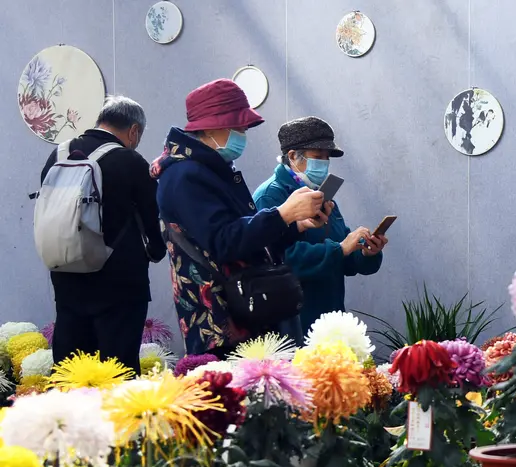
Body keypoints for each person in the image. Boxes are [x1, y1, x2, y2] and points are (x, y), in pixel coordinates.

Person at [152, 79, 327, 356]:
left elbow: (249, 239)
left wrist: (297, 225)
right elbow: (225, 241)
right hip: (219, 322)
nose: (243, 133)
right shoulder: (184, 176)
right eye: (239, 126)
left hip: (245, 312)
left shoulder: (210, 170)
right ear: (210, 127)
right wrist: (283, 213)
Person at [38, 96, 166, 373]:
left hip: (66, 275)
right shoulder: (130, 161)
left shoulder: (59, 154)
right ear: (134, 131)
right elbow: (151, 217)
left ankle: (67, 417)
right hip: (119, 283)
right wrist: (156, 251)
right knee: (118, 371)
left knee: (71, 369)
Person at [254, 117, 385, 333]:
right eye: (318, 156)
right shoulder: (270, 195)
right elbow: (280, 258)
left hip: (330, 320)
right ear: (293, 156)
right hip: (293, 323)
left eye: (327, 158)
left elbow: (345, 257)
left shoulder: (320, 195)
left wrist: (366, 252)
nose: (324, 164)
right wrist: (340, 249)